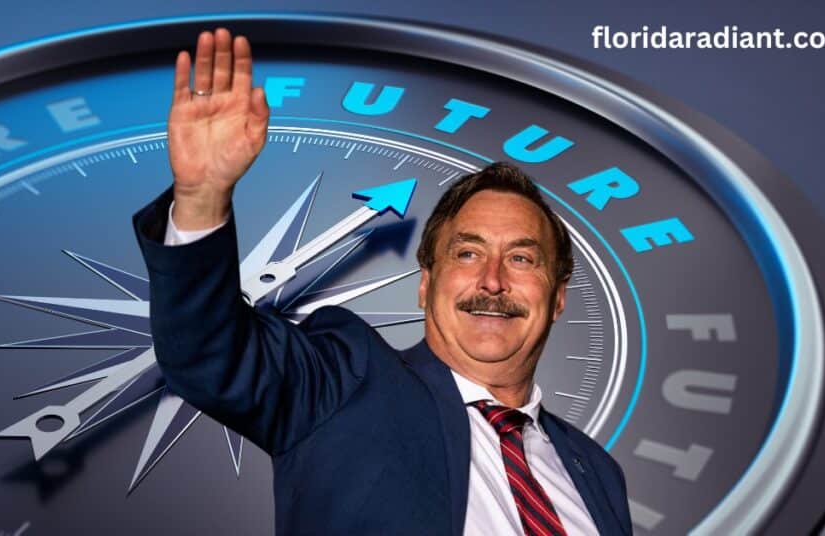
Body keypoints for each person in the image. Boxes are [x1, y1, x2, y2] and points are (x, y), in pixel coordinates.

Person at [132, 27, 633, 536]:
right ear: (425, 283)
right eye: (467, 253)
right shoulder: (346, 382)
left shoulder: (598, 472)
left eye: (523, 259)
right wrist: (201, 200)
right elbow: (211, 353)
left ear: (558, 298)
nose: (492, 280)